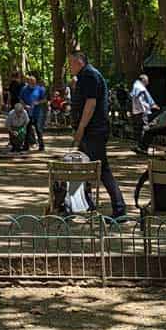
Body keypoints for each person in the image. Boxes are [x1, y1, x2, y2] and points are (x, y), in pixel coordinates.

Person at [68, 49, 128, 221]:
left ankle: (119, 208)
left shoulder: (89, 76)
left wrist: (80, 128)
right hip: (90, 131)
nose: (70, 67)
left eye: (71, 63)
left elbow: (91, 104)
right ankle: (85, 203)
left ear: (79, 62)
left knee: (102, 169)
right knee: (82, 166)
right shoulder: (85, 76)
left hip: (94, 131)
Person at [19, 73, 47, 152]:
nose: (31, 83)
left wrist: (38, 102)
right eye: (30, 81)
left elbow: (45, 99)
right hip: (27, 113)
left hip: (38, 113)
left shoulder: (40, 89)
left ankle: (41, 146)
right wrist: (25, 105)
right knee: (27, 129)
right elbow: (21, 99)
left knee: (39, 130)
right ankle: (26, 146)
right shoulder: (24, 89)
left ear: (35, 82)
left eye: (33, 82)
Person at [130, 73, 156, 151]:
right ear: (143, 80)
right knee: (142, 129)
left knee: (140, 129)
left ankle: (141, 146)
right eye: (147, 80)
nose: (148, 82)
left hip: (138, 112)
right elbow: (141, 102)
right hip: (141, 112)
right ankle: (141, 147)